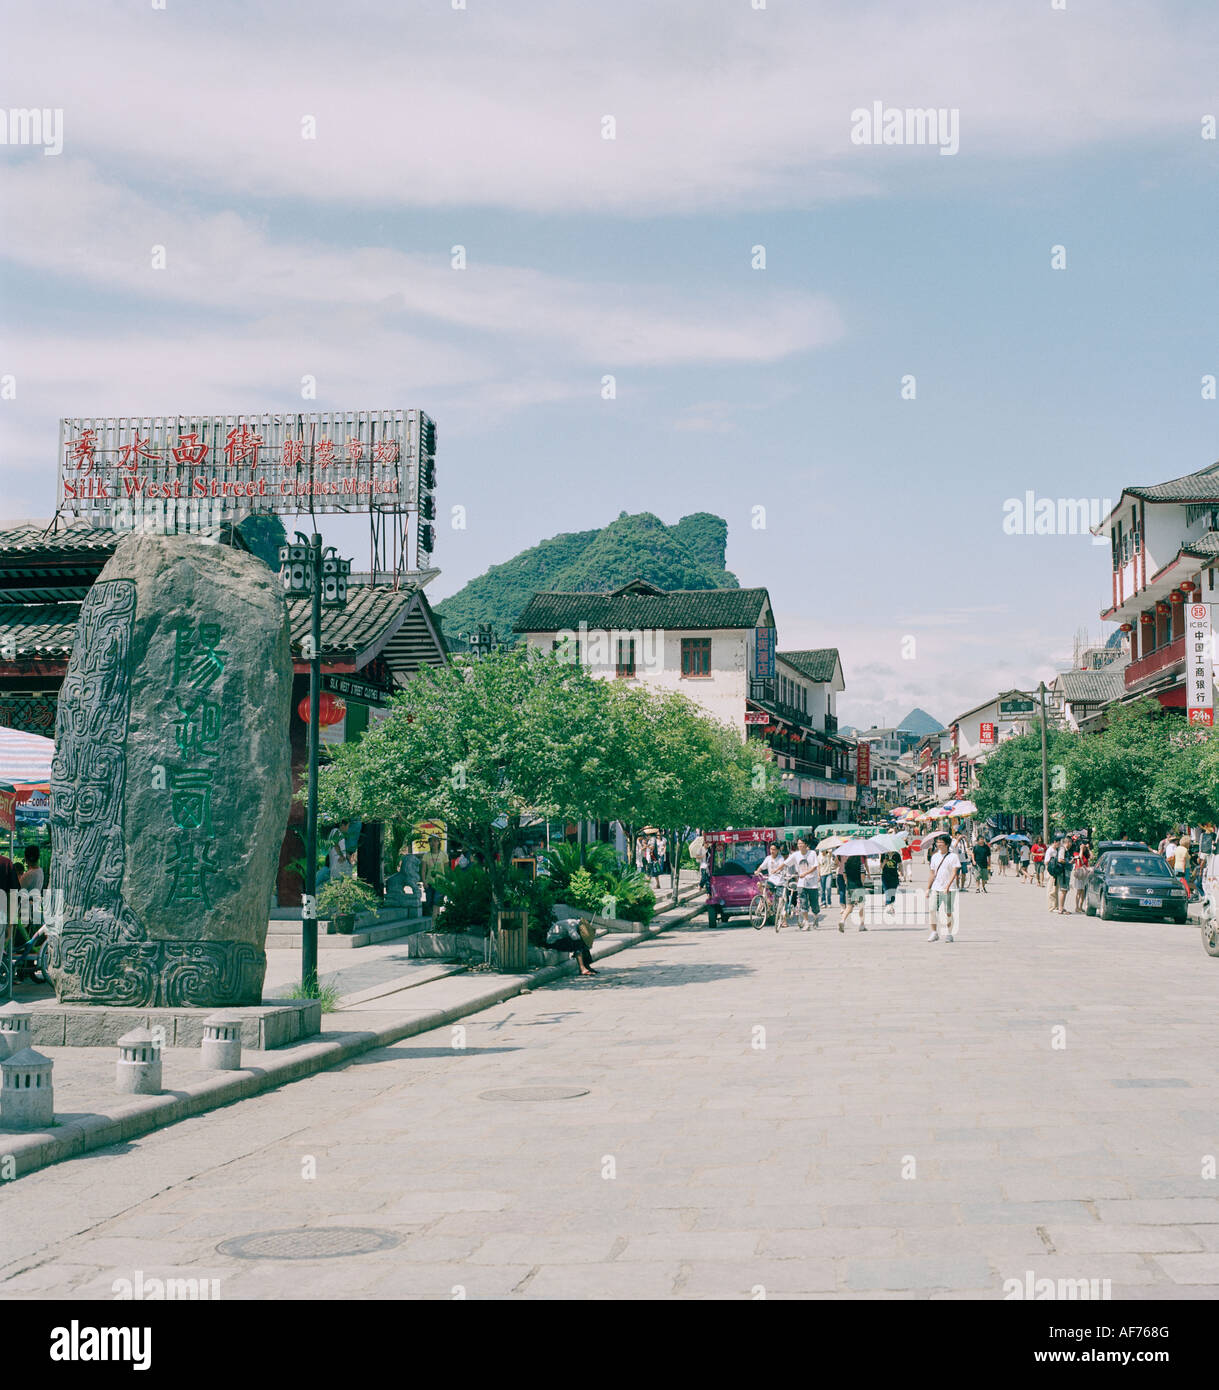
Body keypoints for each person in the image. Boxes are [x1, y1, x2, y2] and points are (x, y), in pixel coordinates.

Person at [926, 833, 961, 942]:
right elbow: (932, 873)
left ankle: (949, 933)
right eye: (938, 843)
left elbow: (954, 873)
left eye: (941, 843)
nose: (939, 845)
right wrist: (928, 888)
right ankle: (934, 932)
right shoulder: (935, 856)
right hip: (936, 887)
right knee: (932, 910)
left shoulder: (953, 857)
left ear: (947, 844)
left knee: (948, 912)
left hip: (949, 889)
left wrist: (947, 886)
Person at [795, 837, 821, 928]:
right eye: (798, 844)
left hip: (813, 884)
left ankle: (816, 917)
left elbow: (815, 866)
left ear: (806, 845)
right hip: (801, 884)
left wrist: (805, 873)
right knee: (803, 903)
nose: (799, 845)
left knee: (814, 905)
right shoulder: (796, 854)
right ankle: (806, 922)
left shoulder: (812, 853)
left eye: (801, 843)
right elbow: (786, 863)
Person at [839, 853, 868, 932]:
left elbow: (844, 875)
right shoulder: (860, 864)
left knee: (849, 907)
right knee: (861, 906)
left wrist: (847, 882)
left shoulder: (846, 864)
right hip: (858, 887)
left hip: (849, 888)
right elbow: (862, 875)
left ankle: (842, 920)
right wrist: (862, 884)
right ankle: (862, 925)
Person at [1071, 842, 1090, 913]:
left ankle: (1081, 907)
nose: (1084, 848)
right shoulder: (1076, 853)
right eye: (1083, 847)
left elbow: (1092, 857)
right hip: (1079, 874)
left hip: (1085, 874)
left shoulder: (1086, 854)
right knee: (1079, 891)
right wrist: (1081, 849)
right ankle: (1077, 907)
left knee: (1083, 891)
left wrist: (1088, 849)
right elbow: (1080, 858)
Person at [818, 842, 837, 911]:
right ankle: (823, 902)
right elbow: (818, 867)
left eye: (823, 851)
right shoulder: (819, 857)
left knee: (828, 888)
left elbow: (831, 852)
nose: (823, 852)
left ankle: (829, 902)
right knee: (822, 889)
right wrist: (818, 875)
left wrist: (828, 850)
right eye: (821, 851)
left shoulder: (828, 855)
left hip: (829, 873)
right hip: (822, 874)